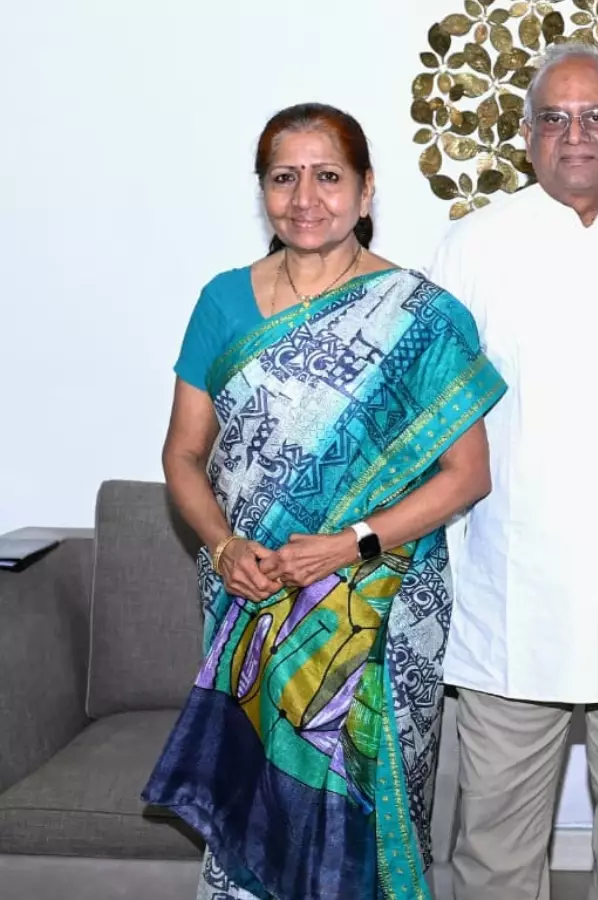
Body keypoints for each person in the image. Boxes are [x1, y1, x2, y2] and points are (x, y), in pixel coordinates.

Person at [142, 102, 505, 900]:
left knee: (367, 816)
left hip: (380, 604)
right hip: (255, 597)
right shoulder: (223, 302)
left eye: (328, 176)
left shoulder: (424, 317)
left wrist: (350, 544)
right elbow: (183, 454)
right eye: (284, 178)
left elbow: (466, 475)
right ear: (263, 192)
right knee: (258, 805)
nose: (305, 198)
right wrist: (223, 546)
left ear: (367, 191)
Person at [426, 42, 598, 900]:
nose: (575, 135)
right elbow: (431, 426)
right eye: (554, 118)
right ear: (526, 137)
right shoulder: (469, 250)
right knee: (494, 855)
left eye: (595, 117)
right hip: (510, 603)